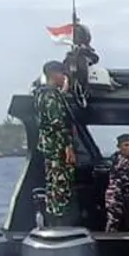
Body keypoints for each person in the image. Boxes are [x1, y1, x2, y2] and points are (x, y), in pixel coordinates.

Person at [34, 60, 77, 222]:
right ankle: (59, 221)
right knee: (59, 186)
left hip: (49, 147)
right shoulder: (51, 96)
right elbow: (57, 123)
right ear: (53, 74)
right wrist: (68, 147)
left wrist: (62, 92)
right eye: (61, 73)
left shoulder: (41, 94)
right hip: (57, 147)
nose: (64, 76)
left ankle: (53, 218)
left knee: (52, 184)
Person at [104, 133, 129, 231]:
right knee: (114, 220)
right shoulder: (116, 159)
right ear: (119, 147)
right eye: (126, 145)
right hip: (115, 194)